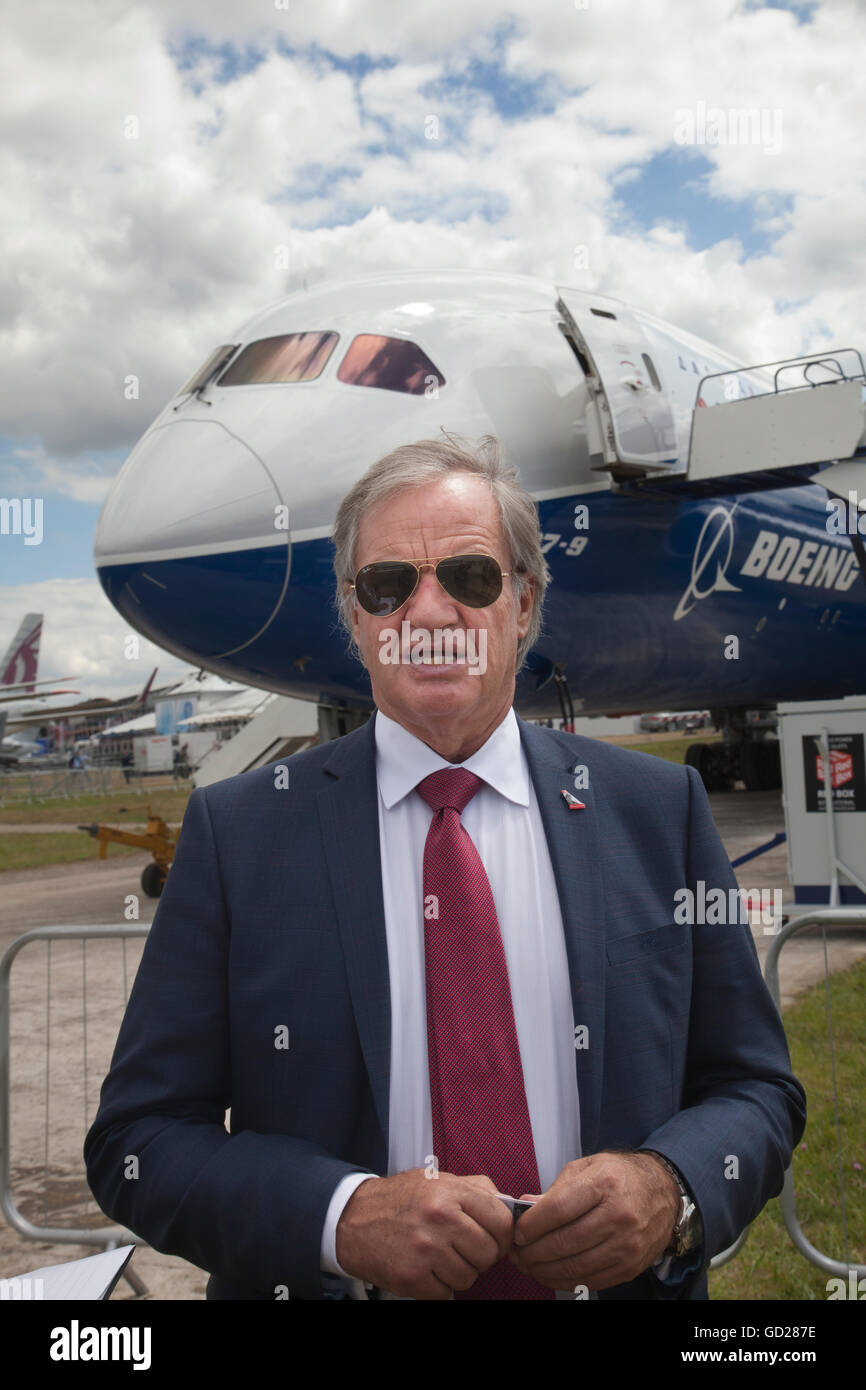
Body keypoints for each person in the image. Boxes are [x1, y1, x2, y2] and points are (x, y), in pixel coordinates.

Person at [84, 435, 805, 1301]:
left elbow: (755, 1086)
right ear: (355, 619)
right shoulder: (239, 835)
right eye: (389, 586)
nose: (429, 615)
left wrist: (672, 1186)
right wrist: (339, 1218)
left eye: (469, 578)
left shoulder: (659, 810)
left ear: (524, 604)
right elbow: (139, 1139)